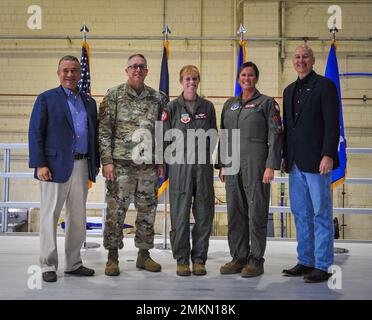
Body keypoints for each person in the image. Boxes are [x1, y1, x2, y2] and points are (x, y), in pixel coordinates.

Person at [28, 55, 100, 282]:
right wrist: (40, 163)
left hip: (82, 164)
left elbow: (94, 135)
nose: (70, 75)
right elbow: (35, 133)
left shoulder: (89, 102)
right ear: (58, 73)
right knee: (50, 216)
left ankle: (73, 263)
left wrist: (94, 163)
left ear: (80, 73)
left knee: (78, 217)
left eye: (75, 71)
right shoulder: (47, 99)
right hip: (53, 166)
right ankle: (48, 265)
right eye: (65, 70)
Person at [99, 53, 164, 276]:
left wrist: (161, 159)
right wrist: (107, 161)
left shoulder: (157, 98)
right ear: (127, 70)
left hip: (147, 166)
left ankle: (143, 255)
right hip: (120, 166)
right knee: (116, 212)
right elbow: (105, 131)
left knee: (147, 211)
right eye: (134, 66)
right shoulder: (114, 95)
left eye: (142, 67)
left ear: (147, 71)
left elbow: (161, 132)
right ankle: (112, 256)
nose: (137, 70)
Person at [218, 61, 283, 278]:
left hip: (256, 163)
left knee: (256, 211)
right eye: (243, 75)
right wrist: (222, 165)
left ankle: (255, 259)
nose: (247, 78)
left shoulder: (266, 103)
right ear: (238, 79)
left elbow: (275, 135)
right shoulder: (230, 105)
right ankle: (238, 257)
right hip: (232, 165)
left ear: (256, 78)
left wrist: (270, 165)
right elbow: (224, 135)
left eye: (251, 75)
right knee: (235, 211)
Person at [282, 45, 340, 283]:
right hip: (295, 162)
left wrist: (328, 154)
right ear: (292, 62)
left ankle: (323, 264)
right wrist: (285, 155)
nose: (301, 60)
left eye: (305, 56)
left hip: (318, 162)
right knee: (301, 213)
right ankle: (305, 260)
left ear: (313, 60)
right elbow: (289, 128)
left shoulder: (325, 86)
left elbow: (332, 124)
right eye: (297, 57)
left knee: (321, 213)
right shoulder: (288, 90)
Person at [163, 65, 217, 276]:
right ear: (181, 81)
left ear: (199, 80)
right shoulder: (172, 107)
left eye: (195, 78)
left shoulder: (208, 106)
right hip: (180, 167)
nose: (191, 82)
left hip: (202, 167)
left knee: (204, 213)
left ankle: (199, 258)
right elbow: (164, 137)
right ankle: (182, 259)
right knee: (180, 214)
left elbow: (212, 136)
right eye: (187, 79)